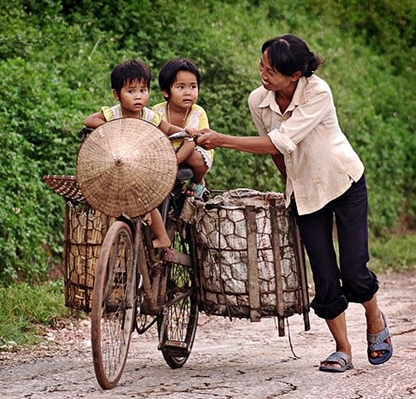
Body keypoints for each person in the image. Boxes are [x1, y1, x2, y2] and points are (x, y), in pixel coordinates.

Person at [195, 34, 392, 372]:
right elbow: (275, 152)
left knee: (354, 272)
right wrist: (289, 185)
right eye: (261, 66)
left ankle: (374, 317)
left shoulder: (318, 92)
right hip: (304, 193)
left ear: (295, 75)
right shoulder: (258, 100)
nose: (263, 75)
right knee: (325, 276)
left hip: (343, 182)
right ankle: (342, 349)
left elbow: (281, 139)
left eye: (271, 71)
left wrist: (222, 141)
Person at [84, 59, 189, 249]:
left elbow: (168, 128)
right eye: (131, 91)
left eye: (143, 90)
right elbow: (90, 120)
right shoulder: (113, 114)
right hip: (117, 167)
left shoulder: (149, 116)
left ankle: (163, 237)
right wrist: (113, 128)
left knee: (145, 200)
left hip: (143, 170)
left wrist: (187, 132)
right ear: (117, 94)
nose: (138, 96)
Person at [153, 57, 213, 198]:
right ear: (166, 92)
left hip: (192, 151)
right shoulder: (157, 111)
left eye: (193, 87)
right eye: (181, 87)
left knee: (195, 154)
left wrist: (173, 161)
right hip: (165, 152)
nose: (188, 92)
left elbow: (196, 140)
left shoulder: (198, 112)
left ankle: (197, 182)